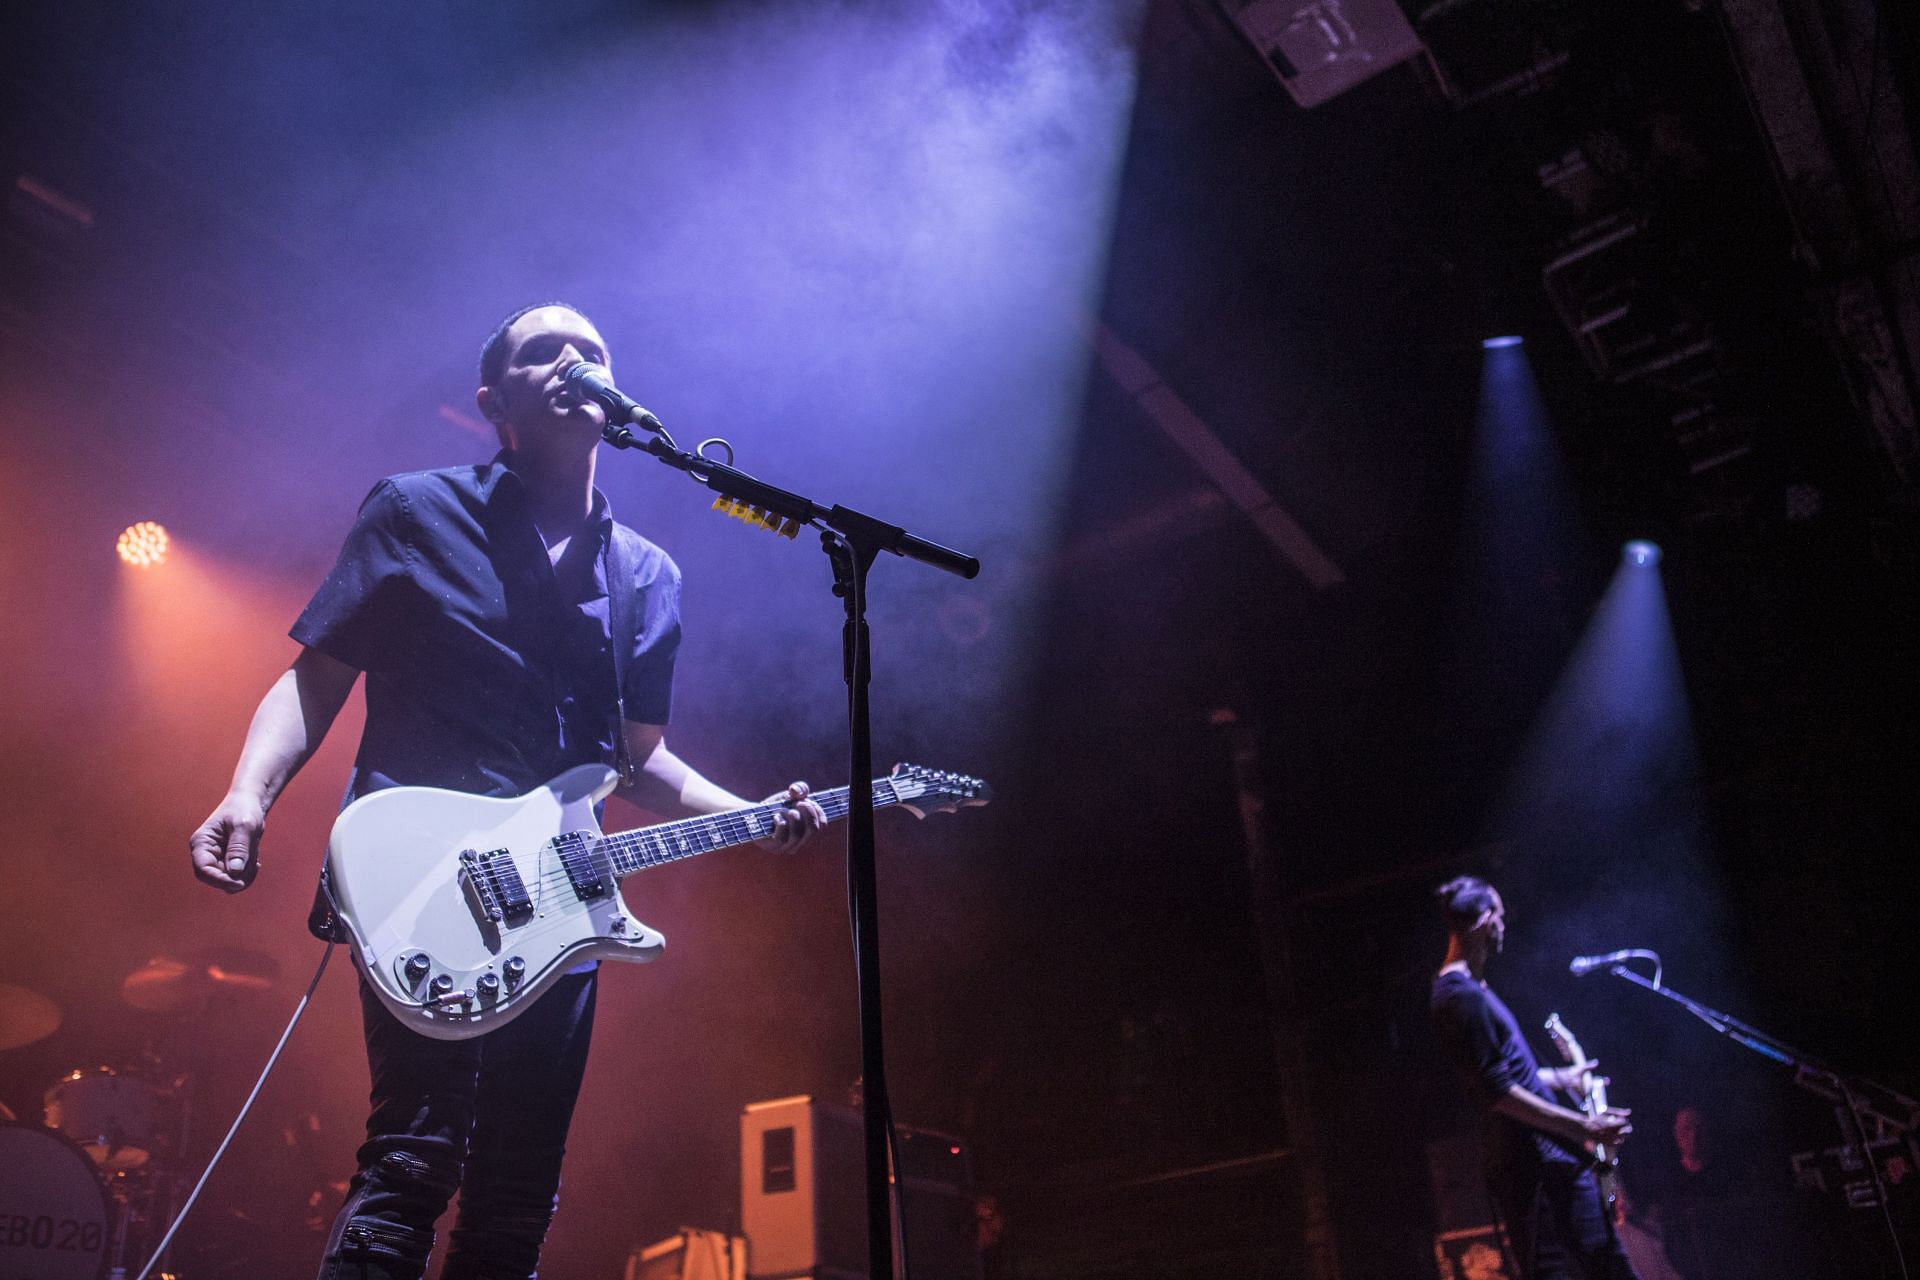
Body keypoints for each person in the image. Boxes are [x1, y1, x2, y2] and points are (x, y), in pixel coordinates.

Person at [187, 302, 828, 1280]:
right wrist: (248, 793)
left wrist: (750, 814)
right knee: (413, 1154)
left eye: (594, 350)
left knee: (521, 1187)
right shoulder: (414, 510)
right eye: (545, 350)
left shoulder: (648, 574)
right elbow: (319, 673)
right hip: (415, 876)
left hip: (561, 904)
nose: (576, 359)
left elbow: (637, 758)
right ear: (496, 404)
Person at [1429, 876, 1640, 1279]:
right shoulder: (1459, 996)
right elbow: (1498, 1091)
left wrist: (1565, 1076)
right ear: (1483, 922)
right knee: (1566, 1269)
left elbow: (1511, 1073)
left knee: (1605, 1262)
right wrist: (1585, 1125)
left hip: (1549, 1156)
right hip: (1531, 1162)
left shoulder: (1473, 989)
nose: (1505, 926)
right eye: (1500, 917)